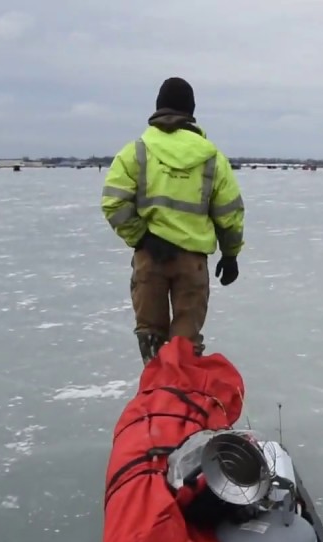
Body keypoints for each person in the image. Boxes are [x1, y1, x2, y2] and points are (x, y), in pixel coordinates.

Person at [101, 77, 246, 364]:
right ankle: (180, 400)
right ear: (192, 110)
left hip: (149, 260)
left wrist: (142, 237)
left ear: (158, 107)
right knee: (185, 347)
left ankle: (155, 402)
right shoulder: (212, 158)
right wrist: (230, 256)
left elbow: (113, 202)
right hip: (191, 264)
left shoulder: (136, 152)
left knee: (151, 340)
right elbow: (230, 214)